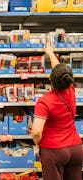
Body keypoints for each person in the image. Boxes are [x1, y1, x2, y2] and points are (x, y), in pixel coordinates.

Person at [31, 42, 83, 180]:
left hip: (54, 150)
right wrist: (50, 53)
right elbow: (60, 71)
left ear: (50, 80)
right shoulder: (71, 90)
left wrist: (38, 144)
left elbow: (36, 132)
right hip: (76, 148)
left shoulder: (44, 101)